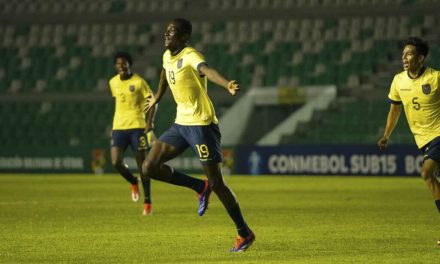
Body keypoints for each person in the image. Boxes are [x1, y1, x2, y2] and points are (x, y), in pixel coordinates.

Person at [142, 18, 255, 251]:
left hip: (201, 125)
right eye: (166, 31)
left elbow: (207, 70)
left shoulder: (191, 55)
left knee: (218, 183)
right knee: (149, 167)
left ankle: (244, 233)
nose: (166, 35)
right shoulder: (166, 56)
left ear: (183, 37)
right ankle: (199, 187)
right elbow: (165, 74)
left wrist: (226, 84)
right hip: (180, 124)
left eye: (171, 32)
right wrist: (157, 96)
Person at [377, 37, 440, 246]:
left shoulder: (435, 78)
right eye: (403, 53)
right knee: (430, 177)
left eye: (409, 53)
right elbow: (395, 109)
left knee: (426, 172)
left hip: (439, 135)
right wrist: (386, 135)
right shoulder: (398, 81)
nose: (404, 57)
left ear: (421, 58)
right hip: (423, 140)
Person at [109, 51, 157, 215]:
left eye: (124, 63)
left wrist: (149, 123)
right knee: (115, 161)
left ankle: (147, 201)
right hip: (119, 128)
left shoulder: (139, 82)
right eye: (118, 64)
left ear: (129, 64)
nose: (121, 66)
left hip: (137, 127)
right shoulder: (113, 82)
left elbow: (153, 102)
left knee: (143, 166)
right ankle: (132, 181)